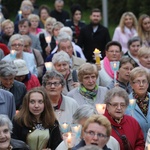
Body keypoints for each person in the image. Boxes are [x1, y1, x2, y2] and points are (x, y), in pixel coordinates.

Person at [126, 67, 150, 140]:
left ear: (148, 84)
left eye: (144, 81)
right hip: (136, 143)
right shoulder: (125, 102)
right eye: (138, 81)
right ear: (131, 84)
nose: (141, 84)